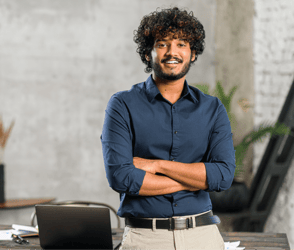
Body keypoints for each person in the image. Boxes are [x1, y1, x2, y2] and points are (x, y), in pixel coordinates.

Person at [101, 7, 236, 250]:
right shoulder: (122, 105)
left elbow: (223, 175)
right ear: (147, 54)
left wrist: (157, 165)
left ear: (192, 54)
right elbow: (122, 177)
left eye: (182, 44)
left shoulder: (213, 109)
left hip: (203, 236)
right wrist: (197, 179)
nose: (172, 52)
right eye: (162, 44)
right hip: (144, 237)